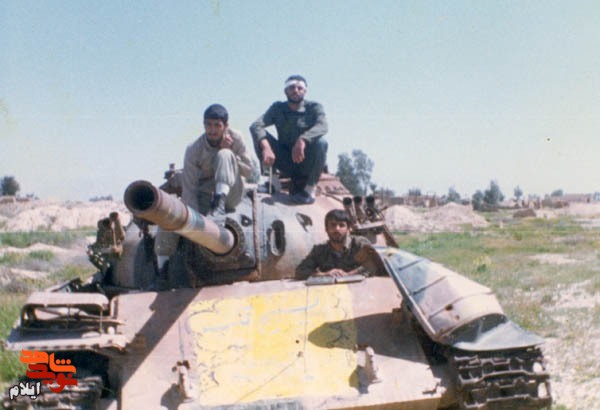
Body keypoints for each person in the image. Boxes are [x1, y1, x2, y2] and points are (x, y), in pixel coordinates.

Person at [250, 75, 328, 204]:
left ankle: (309, 189)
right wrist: (266, 147)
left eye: (299, 88)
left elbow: (323, 126)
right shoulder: (278, 108)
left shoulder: (314, 107)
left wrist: (303, 139)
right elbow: (256, 125)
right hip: (285, 160)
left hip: (306, 162)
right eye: (291, 88)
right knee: (260, 136)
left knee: (321, 143)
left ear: (305, 91)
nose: (296, 91)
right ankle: (273, 183)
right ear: (285, 91)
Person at [182, 104, 253, 216]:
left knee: (225, 154)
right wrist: (192, 218)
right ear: (204, 125)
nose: (212, 130)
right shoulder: (194, 149)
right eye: (208, 124)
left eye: (217, 125)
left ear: (226, 126)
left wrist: (231, 154)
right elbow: (189, 188)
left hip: (231, 195)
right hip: (206, 197)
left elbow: (248, 171)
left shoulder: (236, 138)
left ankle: (219, 202)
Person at [296, 209, 372, 279]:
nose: (337, 229)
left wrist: (348, 275)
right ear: (326, 229)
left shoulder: (359, 244)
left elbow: (374, 264)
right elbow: (300, 271)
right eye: (333, 225)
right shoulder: (320, 250)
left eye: (341, 225)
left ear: (348, 229)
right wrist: (325, 274)